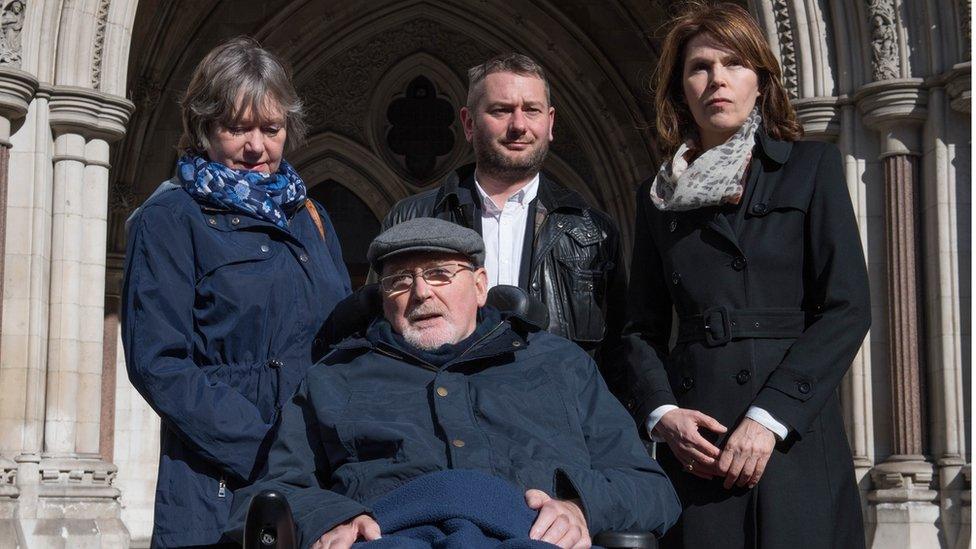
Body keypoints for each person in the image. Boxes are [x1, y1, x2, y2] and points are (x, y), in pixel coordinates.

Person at [229, 218, 681, 549]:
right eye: (400, 281)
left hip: (531, 537)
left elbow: (649, 487)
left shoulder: (559, 364)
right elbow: (270, 493)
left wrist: (580, 507)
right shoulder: (334, 377)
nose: (421, 292)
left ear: (481, 286)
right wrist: (331, 518)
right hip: (393, 538)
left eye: (441, 274)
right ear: (382, 299)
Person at [621, 3, 870, 548]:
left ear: (760, 81)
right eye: (699, 67)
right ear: (679, 90)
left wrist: (770, 417)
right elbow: (638, 327)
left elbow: (847, 306)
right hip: (700, 444)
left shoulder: (812, 168)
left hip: (793, 435)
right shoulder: (658, 197)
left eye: (733, 64)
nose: (717, 80)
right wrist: (663, 415)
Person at [121, 36, 351, 547]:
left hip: (316, 470)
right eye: (237, 128)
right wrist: (265, 445)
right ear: (204, 128)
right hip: (218, 475)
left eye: (271, 128)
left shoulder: (310, 215)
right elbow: (159, 363)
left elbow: (342, 337)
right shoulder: (170, 218)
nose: (256, 147)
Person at [381, 53, 627, 393]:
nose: (519, 125)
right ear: (468, 123)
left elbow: (620, 353)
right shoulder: (411, 219)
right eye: (501, 110)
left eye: (531, 109)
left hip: (557, 422)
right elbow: (382, 338)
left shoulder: (593, 230)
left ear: (550, 122)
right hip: (444, 419)